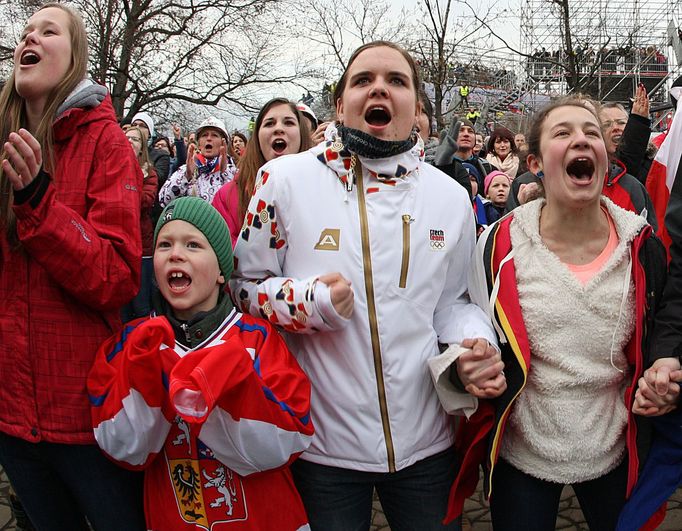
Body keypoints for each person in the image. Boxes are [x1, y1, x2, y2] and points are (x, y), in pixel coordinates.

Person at [229, 41, 500, 531]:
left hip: (426, 446)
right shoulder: (281, 180)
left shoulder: (451, 197)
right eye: (363, 80)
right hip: (323, 448)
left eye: (396, 81)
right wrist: (308, 303)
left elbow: (455, 301)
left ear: (416, 107)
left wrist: (472, 342)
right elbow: (243, 288)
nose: (379, 88)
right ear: (340, 104)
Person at [445, 97, 671, 530]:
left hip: (614, 447)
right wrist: (466, 365)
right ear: (535, 162)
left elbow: (664, 333)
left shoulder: (641, 247)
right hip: (523, 453)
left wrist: (665, 373)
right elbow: (465, 322)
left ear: (605, 157)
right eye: (563, 133)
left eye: (591, 133)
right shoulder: (498, 245)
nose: (580, 140)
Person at [0, 3, 145, 529]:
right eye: (25, 31)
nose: (28, 39)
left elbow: (116, 275)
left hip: (87, 418)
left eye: (47, 30)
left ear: (75, 56)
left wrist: (39, 198)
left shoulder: (106, 143)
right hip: (11, 419)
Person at [89, 197, 314, 530]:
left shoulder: (256, 339)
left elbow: (287, 442)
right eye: (165, 244)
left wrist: (227, 381)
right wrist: (145, 369)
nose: (175, 253)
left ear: (222, 273)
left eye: (193, 245)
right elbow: (125, 448)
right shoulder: (133, 342)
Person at [212, 98, 311, 247]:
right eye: (269, 123)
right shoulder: (226, 196)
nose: (278, 128)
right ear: (257, 138)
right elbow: (222, 252)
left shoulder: (323, 189)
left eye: (288, 122)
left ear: (302, 134)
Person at [121, 126, 158, 321]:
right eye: (126, 137)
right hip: (119, 245)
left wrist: (134, 173)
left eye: (135, 139)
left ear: (142, 148)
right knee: (122, 307)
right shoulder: (113, 168)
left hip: (141, 247)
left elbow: (144, 202)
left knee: (141, 304)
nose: (129, 141)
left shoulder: (149, 173)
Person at [159, 116, 236, 206]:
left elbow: (239, 204)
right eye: (204, 135)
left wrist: (225, 173)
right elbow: (163, 200)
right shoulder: (186, 170)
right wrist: (186, 176)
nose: (209, 138)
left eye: (214, 135)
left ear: (223, 143)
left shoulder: (233, 172)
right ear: (199, 144)